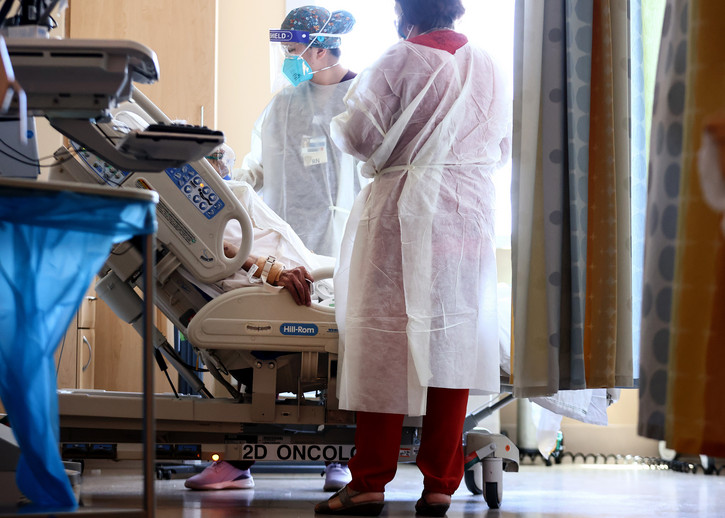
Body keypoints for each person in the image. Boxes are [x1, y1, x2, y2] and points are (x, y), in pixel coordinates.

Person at [314, 0, 510, 515]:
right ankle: (441, 484)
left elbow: (357, 135)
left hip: (402, 218)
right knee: (454, 349)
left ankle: (370, 481)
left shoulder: (398, 59)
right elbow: (503, 143)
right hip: (467, 217)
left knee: (383, 345)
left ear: (406, 14)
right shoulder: (488, 64)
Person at [184, 144, 351, 492]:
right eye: (211, 157)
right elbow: (222, 248)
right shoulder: (191, 205)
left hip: (310, 257)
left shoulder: (231, 194)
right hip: (279, 281)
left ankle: (339, 455)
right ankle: (244, 463)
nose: (220, 162)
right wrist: (271, 269)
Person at [234, 5, 363, 259]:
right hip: (287, 237)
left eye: (291, 51)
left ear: (320, 50)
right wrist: (226, 180)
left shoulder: (360, 99)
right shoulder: (286, 103)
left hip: (345, 238)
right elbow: (259, 168)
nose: (286, 60)